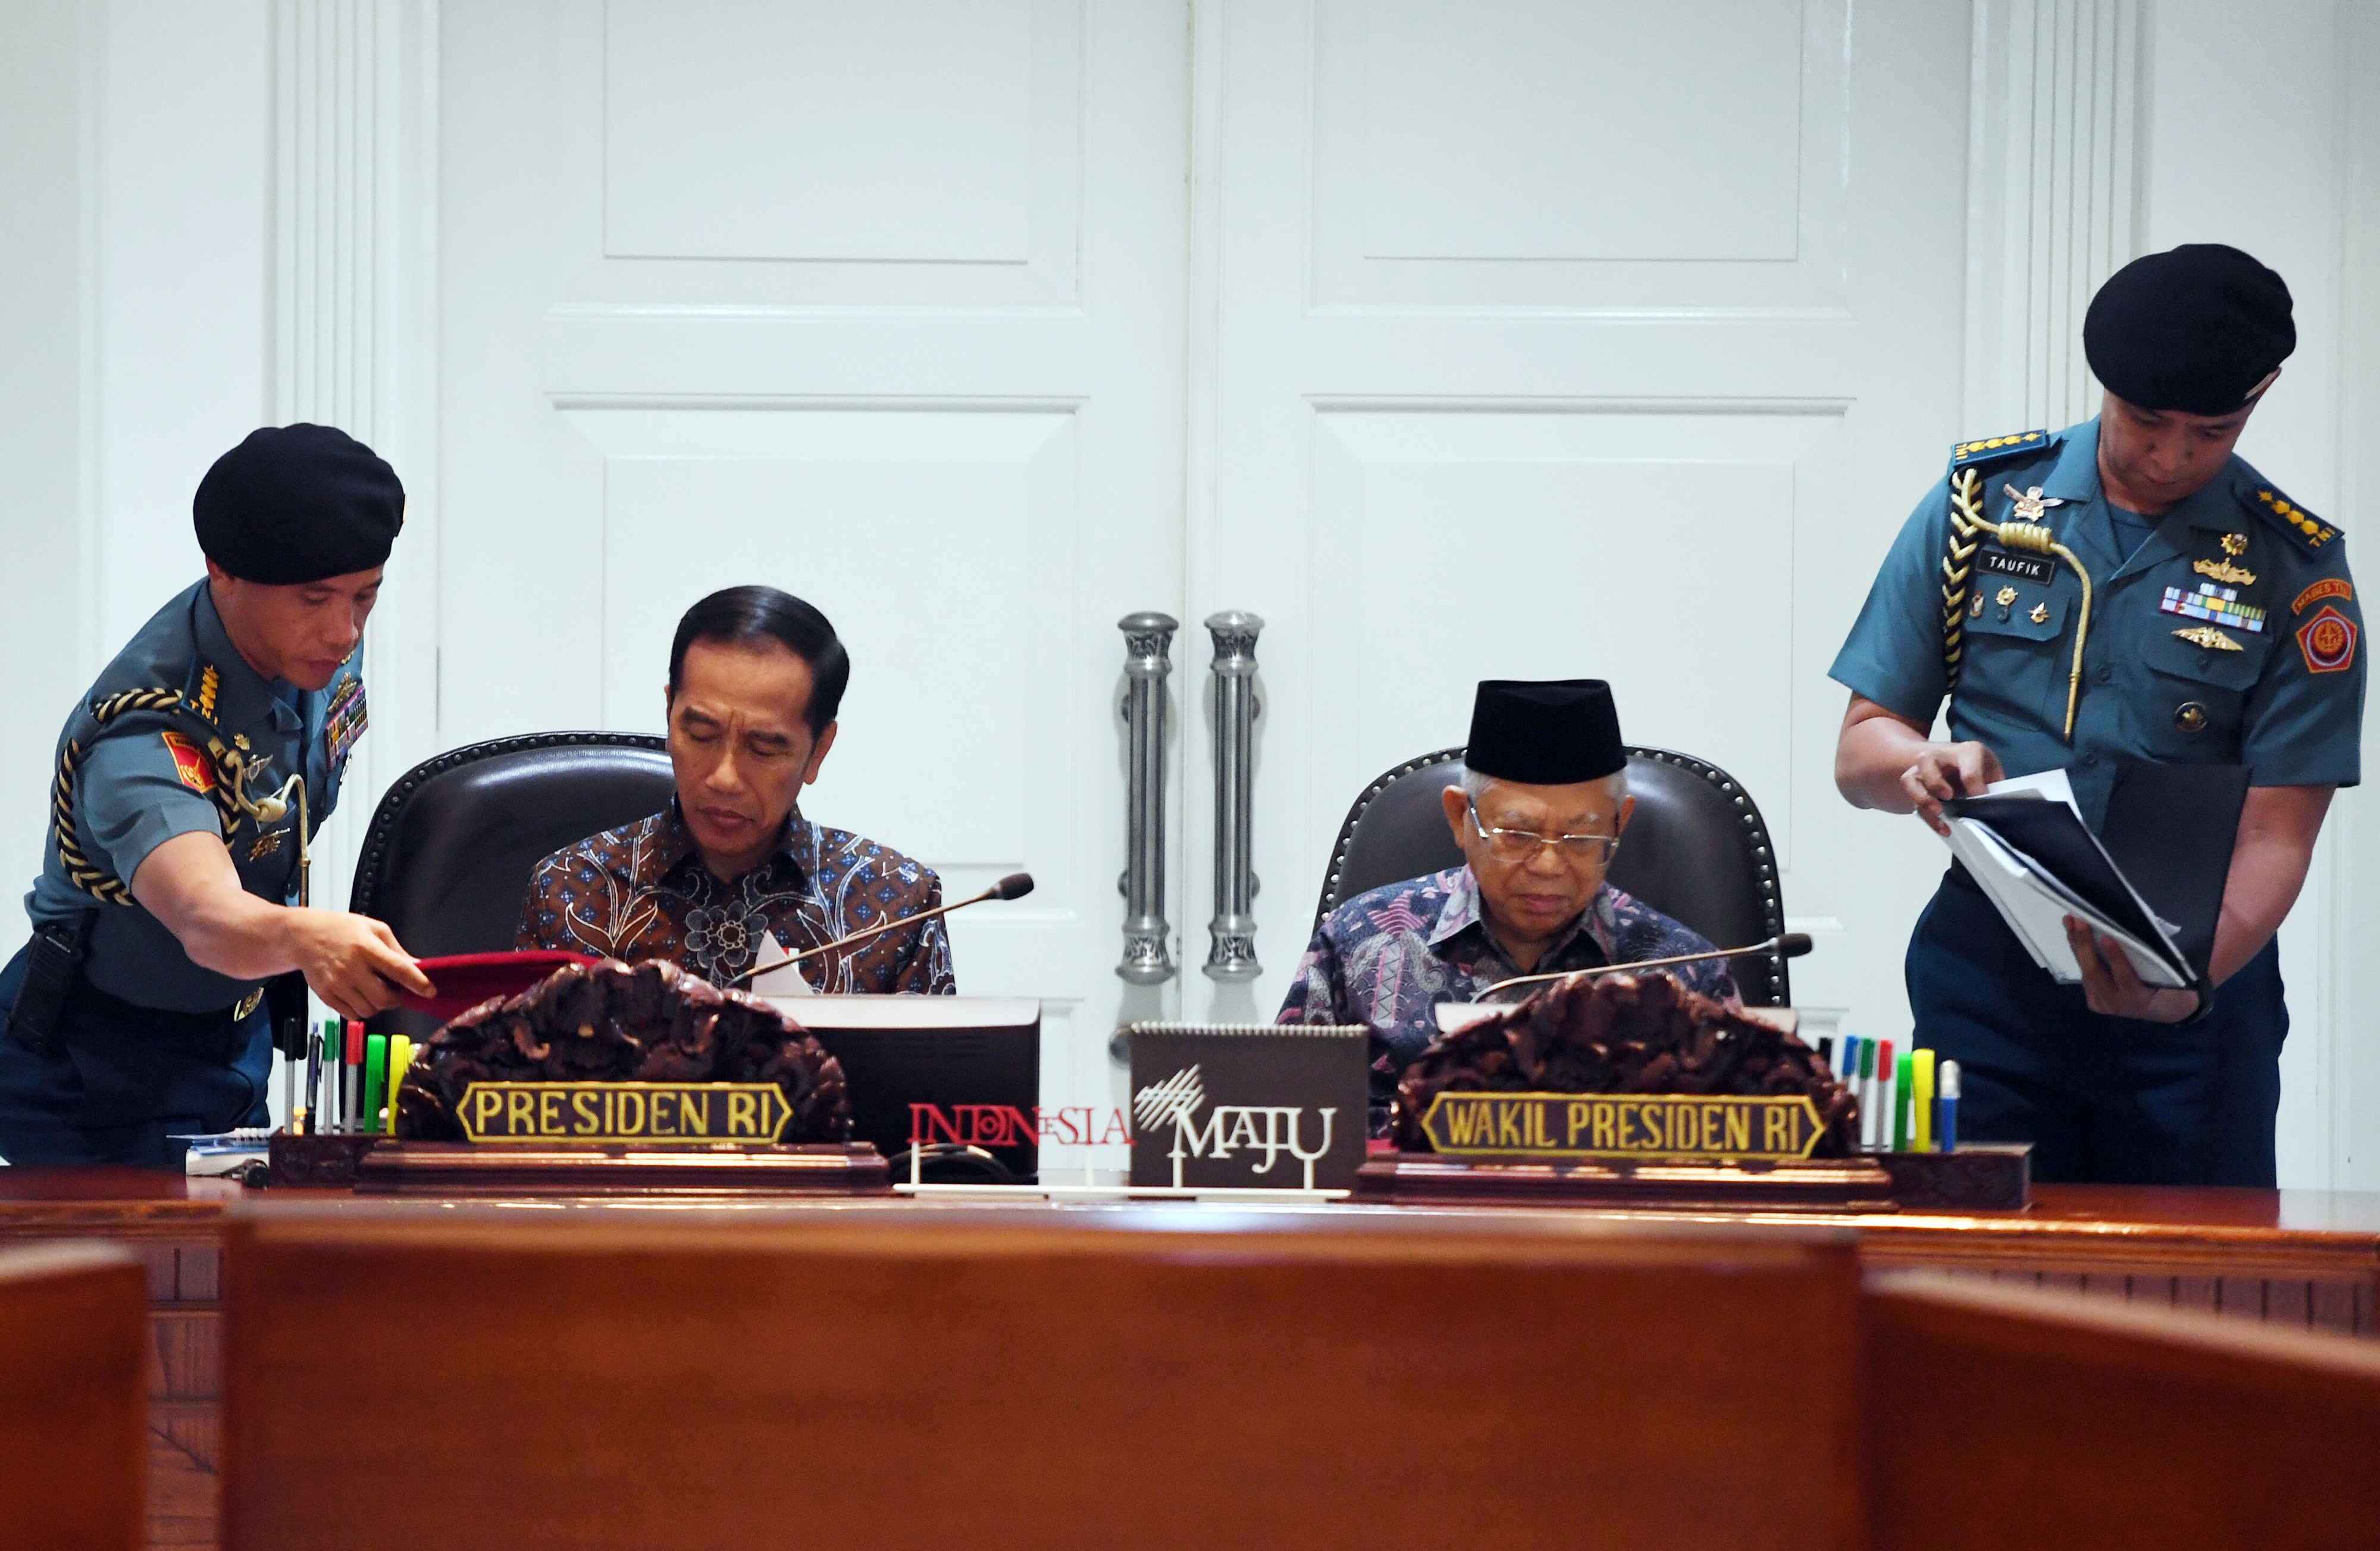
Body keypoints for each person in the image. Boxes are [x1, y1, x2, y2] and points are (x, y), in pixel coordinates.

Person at [1830, 243, 2365, 1187]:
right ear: (2104, 386)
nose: (2171, 455)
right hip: (1988, 982)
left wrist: (2181, 991)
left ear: (2262, 393)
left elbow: (2279, 833)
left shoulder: (2298, 572)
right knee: (1972, 1297)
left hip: (2195, 1002)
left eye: (2212, 429)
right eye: (2145, 420)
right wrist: (1921, 763)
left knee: (2185, 1308)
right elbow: (1864, 744)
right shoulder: (1981, 510)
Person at [0, 425, 436, 1168]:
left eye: (367, 596)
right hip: (94, 1070)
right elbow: (206, 916)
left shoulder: (317, 650)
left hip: (236, 1037)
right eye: (315, 598)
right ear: (221, 572)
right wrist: (305, 937)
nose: (344, 630)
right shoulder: (145, 729)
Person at [1278, 678, 1736, 1132]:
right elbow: (1284, 1124)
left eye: (1582, 839)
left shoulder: (1686, 972)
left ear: (1621, 825)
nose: (1549, 865)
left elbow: (1746, 1156)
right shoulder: (1359, 942)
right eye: (1518, 835)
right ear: (1460, 818)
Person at [517, 586, 954, 993]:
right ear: (669, 714)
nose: (725, 778)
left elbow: (934, 1077)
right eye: (702, 736)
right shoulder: (568, 890)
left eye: (763, 749)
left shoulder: (898, 906)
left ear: (819, 750)